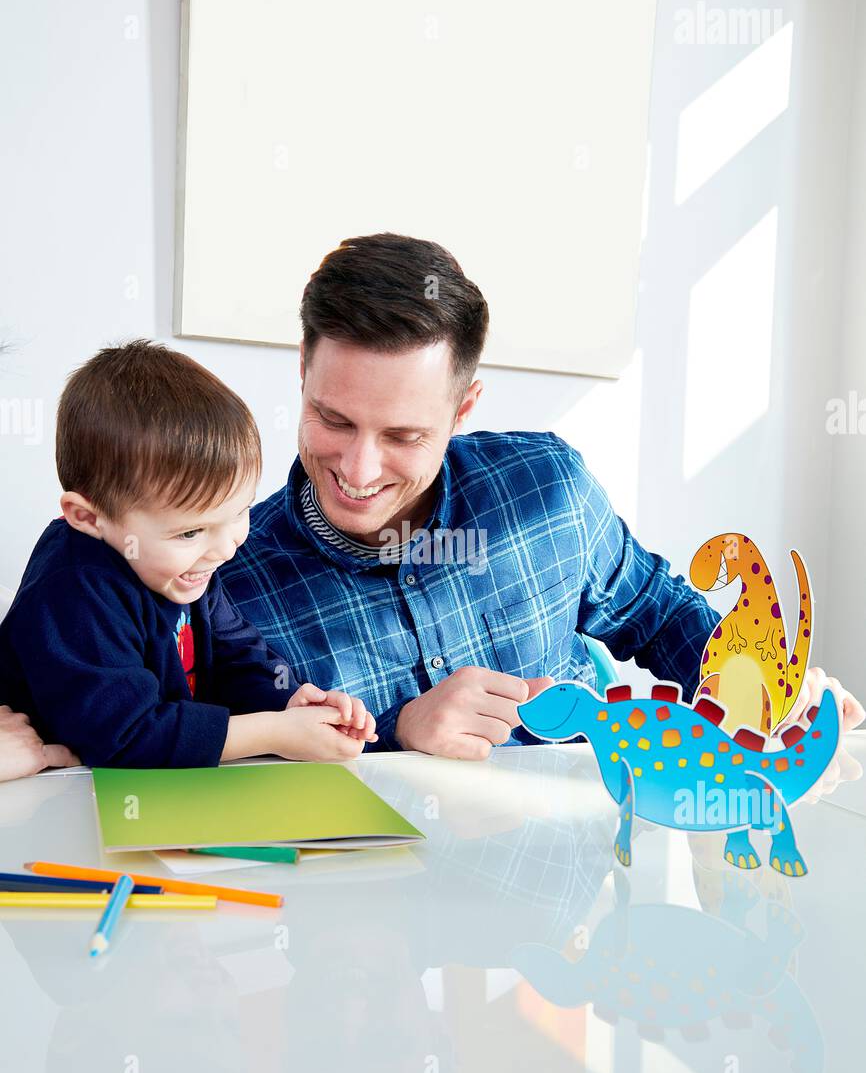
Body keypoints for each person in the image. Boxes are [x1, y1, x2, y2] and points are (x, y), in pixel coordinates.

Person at [222, 231, 865, 759]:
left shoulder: (545, 491)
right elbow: (233, 774)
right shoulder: (223, 581)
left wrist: (765, 693)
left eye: (404, 435)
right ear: (303, 369)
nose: (359, 470)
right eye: (334, 421)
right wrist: (397, 730)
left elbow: (662, 614)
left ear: (463, 407)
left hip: (583, 888)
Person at [0, 342, 375, 768]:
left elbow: (238, 654)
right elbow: (125, 736)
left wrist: (290, 702)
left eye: (240, 512)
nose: (225, 547)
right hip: (70, 795)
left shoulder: (188, 564)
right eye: (190, 531)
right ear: (89, 517)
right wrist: (272, 732)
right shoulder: (73, 589)